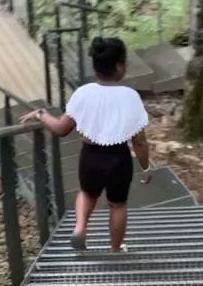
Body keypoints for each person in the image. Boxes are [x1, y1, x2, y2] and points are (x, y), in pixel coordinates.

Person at [21, 36, 152, 252]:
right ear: (120, 66)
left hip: (90, 157)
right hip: (119, 159)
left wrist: (41, 114)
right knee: (118, 205)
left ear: (96, 66)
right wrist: (145, 167)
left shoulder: (83, 93)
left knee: (87, 193)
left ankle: (80, 226)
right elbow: (139, 141)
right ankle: (115, 250)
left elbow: (61, 129)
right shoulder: (130, 97)